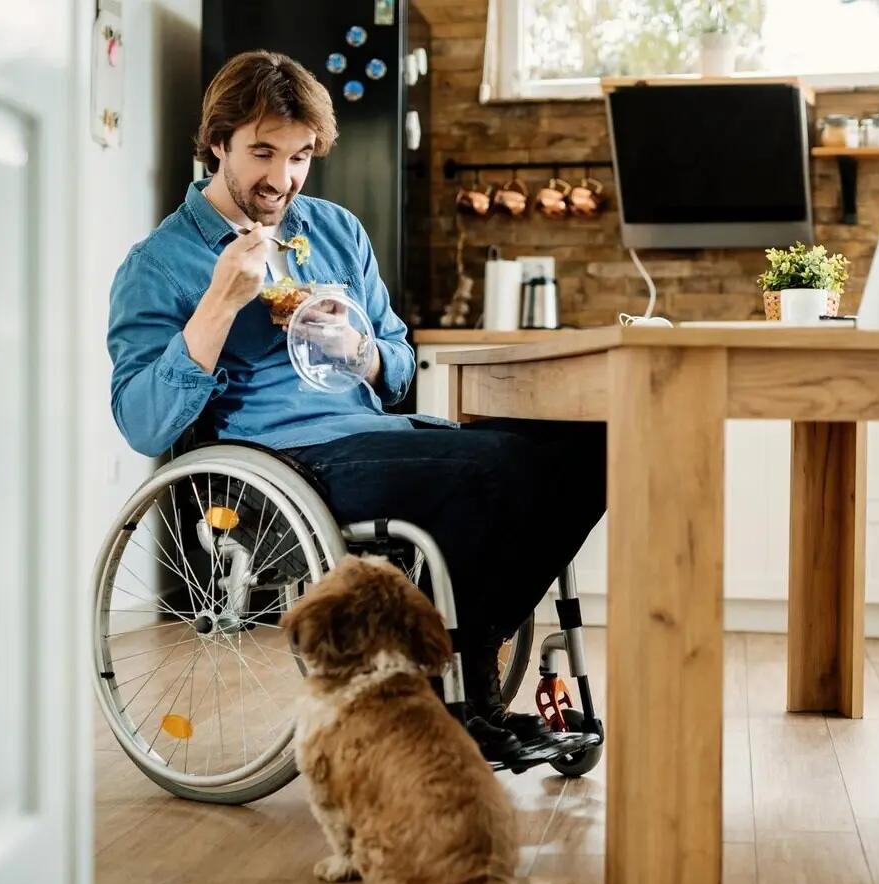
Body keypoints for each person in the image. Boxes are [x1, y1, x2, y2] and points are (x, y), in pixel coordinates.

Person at [106, 50, 607, 763]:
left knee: (590, 445)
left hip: (378, 433)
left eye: (301, 155)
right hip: (279, 463)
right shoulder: (159, 263)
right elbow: (141, 421)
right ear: (217, 144)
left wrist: (358, 348)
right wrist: (218, 304)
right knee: (492, 467)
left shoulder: (337, 231)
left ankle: (456, 652)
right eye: (262, 153)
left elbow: (399, 368)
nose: (282, 179)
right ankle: (462, 695)